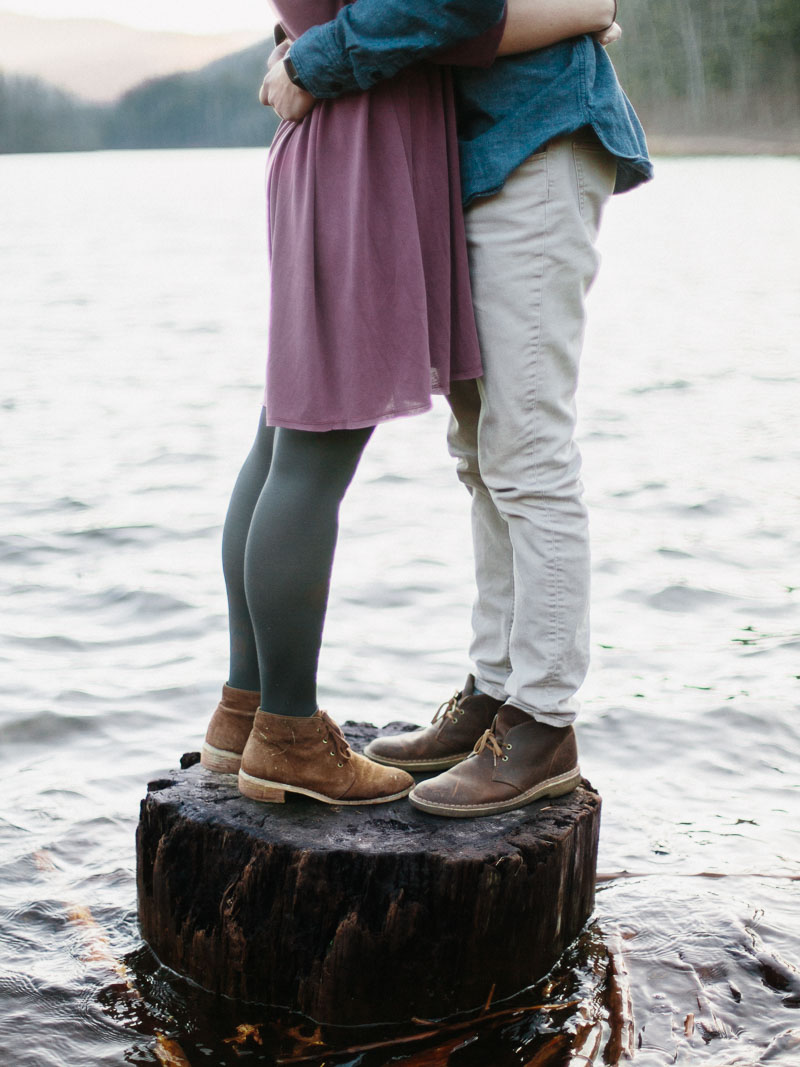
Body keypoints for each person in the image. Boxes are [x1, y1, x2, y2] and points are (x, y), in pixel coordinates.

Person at [200, 0, 620, 808]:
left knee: (517, 449)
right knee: (457, 452)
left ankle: (539, 716)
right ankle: (479, 694)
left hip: (517, 139)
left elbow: (448, 5)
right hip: (388, 149)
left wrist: (307, 56)